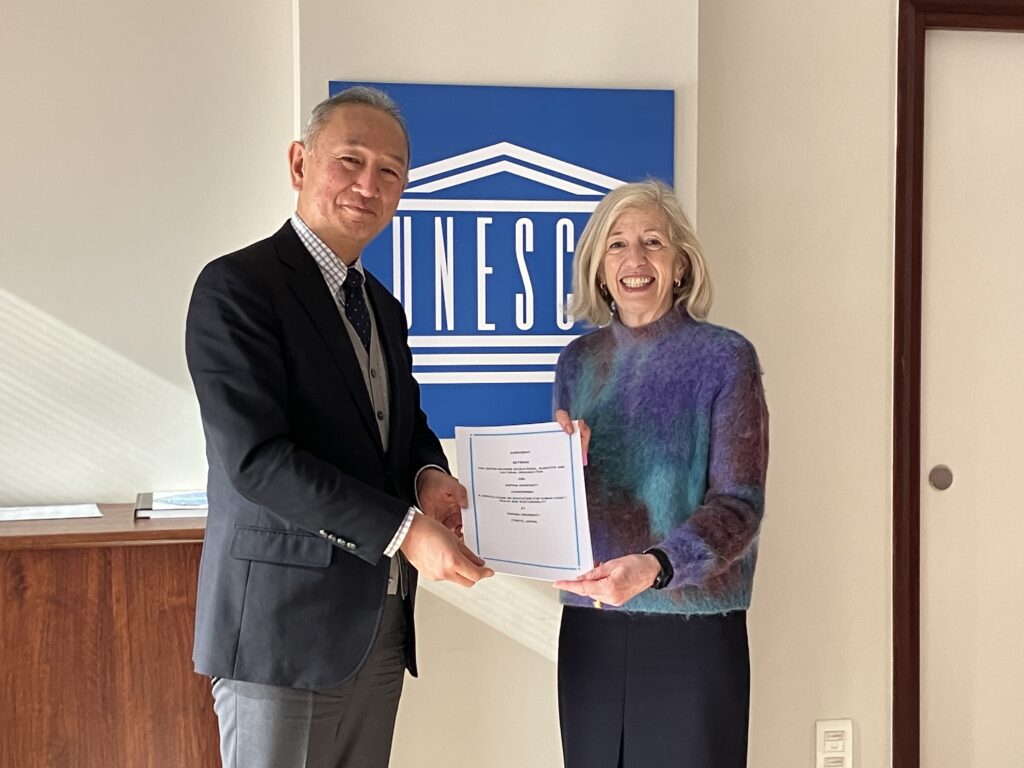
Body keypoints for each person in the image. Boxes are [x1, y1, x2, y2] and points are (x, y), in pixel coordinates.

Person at [184, 86, 493, 768]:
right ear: (300, 164)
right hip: (281, 633)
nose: (368, 185)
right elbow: (256, 460)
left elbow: (401, 427)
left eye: (390, 171)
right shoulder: (237, 288)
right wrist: (407, 530)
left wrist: (428, 473)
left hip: (377, 628)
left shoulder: (382, 306)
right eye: (349, 160)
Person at [551, 180, 768, 768]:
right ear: (599, 268)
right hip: (592, 631)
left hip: (692, 632)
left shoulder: (726, 357)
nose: (635, 259)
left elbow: (739, 506)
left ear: (681, 265)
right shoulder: (577, 363)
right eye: (617, 244)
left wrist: (656, 566)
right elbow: (565, 511)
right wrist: (564, 467)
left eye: (653, 242)